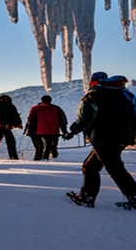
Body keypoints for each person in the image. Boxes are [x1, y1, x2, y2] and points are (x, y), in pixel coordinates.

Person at [64, 75, 136, 209]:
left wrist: (74, 130)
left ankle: (133, 197)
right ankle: (87, 195)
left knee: (115, 169)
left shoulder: (94, 95)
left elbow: (86, 117)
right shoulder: (126, 94)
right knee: (91, 166)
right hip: (123, 137)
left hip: (102, 137)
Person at [24, 95, 68, 160]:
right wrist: (64, 131)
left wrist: (27, 129)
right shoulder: (56, 108)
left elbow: (30, 119)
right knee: (50, 145)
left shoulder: (35, 108)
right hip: (53, 130)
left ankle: (38, 159)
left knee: (39, 147)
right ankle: (48, 158)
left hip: (38, 130)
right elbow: (62, 120)